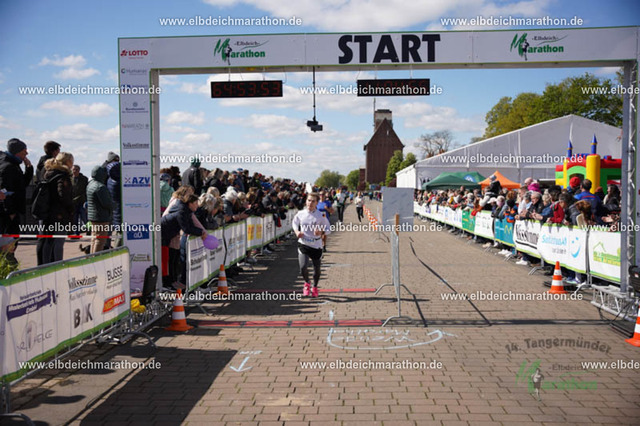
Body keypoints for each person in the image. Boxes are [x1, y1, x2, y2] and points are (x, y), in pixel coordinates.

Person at [292, 193, 330, 297]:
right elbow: (294, 223)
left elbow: (328, 228)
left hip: (316, 245)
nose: (310, 203)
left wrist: (321, 232)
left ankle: (315, 287)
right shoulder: (300, 213)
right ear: (306, 201)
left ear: (317, 203)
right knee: (302, 267)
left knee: (316, 269)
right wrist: (296, 231)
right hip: (303, 243)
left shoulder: (321, 215)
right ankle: (307, 283)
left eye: (313, 201)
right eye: (309, 200)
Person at [41, 152, 75, 264]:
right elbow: (63, 195)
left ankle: (46, 265)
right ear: (67, 162)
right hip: (60, 214)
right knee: (59, 241)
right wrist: (70, 207)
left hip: (47, 212)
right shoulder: (62, 175)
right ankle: (58, 264)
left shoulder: (48, 173)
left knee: (49, 241)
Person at [0, 138, 34, 238]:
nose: (26, 153)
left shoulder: (13, 163)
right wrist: (10, 212)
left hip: (12, 209)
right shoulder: (8, 167)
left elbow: (21, 185)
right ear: (17, 152)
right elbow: (4, 191)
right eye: (24, 151)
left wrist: (29, 169)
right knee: (9, 240)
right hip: (7, 212)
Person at [86, 165, 113, 253]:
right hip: (101, 217)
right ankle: (96, 257)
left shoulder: (90, 185)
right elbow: (106, 203)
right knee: (100, 240)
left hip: (93, 216)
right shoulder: (100, 187)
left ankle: (92, 256)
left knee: (94, 238)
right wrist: (114, 205)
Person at [71, 164, 88, 233]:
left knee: (85, 218)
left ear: (79, 170)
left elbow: (86, 190)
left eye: (76, 170)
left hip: (82, 202)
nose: (75, 171)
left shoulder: (84, 179)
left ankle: (89, 230)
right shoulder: (69, 179)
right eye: (73, 170)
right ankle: (76, 233)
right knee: (74, 219)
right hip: (73, 203)